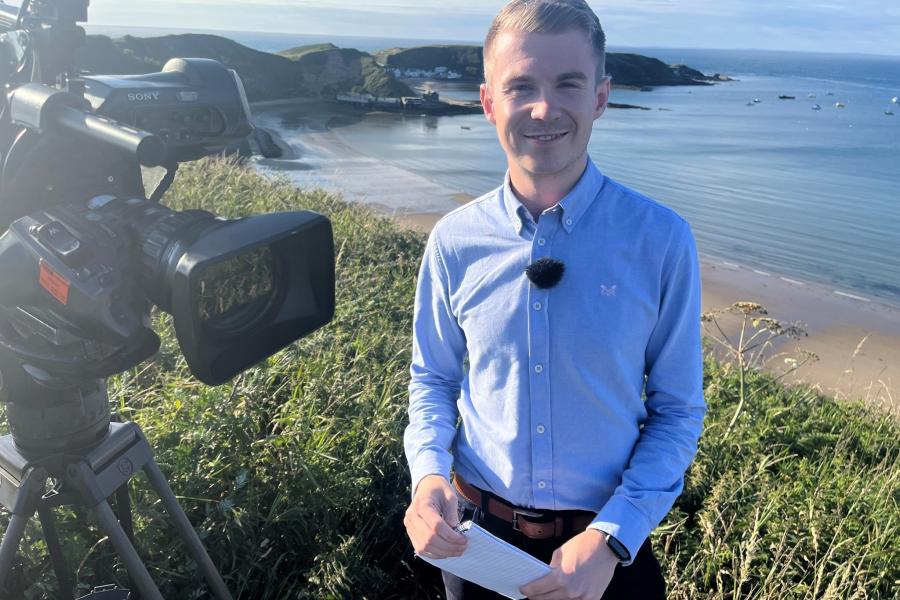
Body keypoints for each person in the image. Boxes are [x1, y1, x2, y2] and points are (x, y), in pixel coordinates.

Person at [403, 1, 705, 598]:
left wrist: (614, 538)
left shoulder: (661, 239)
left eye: (569, 83)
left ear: (600, 96)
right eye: (521, 86)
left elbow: (677, 411)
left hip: (608, 551)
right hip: (478, 546)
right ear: (489, 102)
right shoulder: (453, 241)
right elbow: (431, 381)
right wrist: (428, 477)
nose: (545, 108)